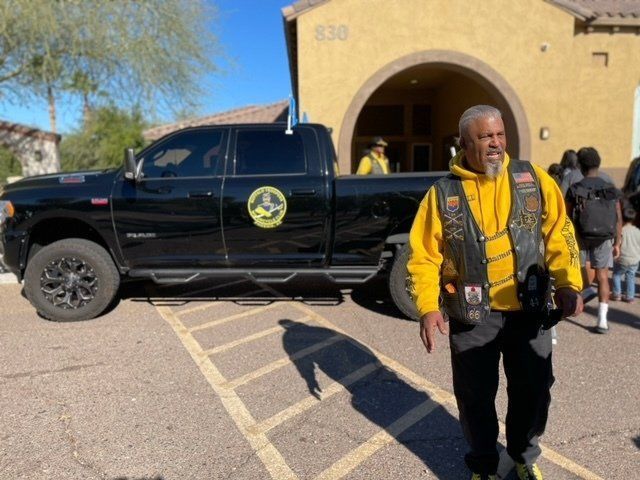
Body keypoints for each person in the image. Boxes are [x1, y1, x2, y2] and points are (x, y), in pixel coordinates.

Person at [407, 105, 583, 480]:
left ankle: (523, 456)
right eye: (485, 137)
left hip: (529, 309)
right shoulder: (442, 195)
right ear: (464, 143)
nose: (496, 144)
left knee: (533, 391)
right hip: (472, 316)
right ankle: (484, 465)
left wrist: (569, 283)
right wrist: (427, 307)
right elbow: (423, 256)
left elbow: (559, 231)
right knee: (475, 399)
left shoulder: (532, 178)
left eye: (500, 135)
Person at [565, 147, 622, 334]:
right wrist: (617, 241)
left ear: (580, 166)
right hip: (604, 236)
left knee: (579, 267)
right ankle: (602, 320)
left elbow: (566, 215)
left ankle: (587, 290)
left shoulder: (575, 188)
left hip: (580, 234)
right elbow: (618, 215)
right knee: (603, 275)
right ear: (598, 163)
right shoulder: (610, 188)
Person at [611, 206, 640, 303]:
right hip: (634, 259)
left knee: (616, 275)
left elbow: (617, 244)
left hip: (622, 259)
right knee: (630, 276)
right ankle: (629, 297)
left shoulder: (621, 231)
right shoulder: (637, 231)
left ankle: (616, 294)